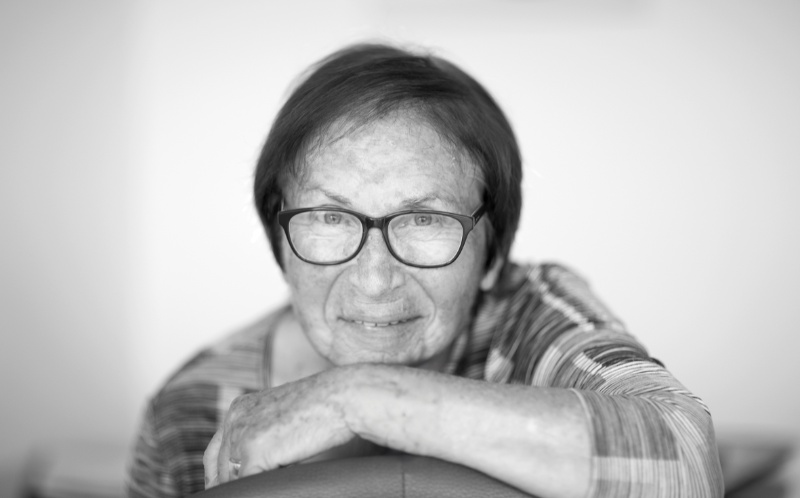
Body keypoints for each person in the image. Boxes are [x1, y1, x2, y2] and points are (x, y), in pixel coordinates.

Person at [126, 43, 724, 498]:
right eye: (330, 217)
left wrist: (355, 397)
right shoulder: (190, 409)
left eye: (423, 220)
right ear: (279, 238)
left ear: (493, 252)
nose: (374, 279)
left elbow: (688, 461)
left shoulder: (528, 318)